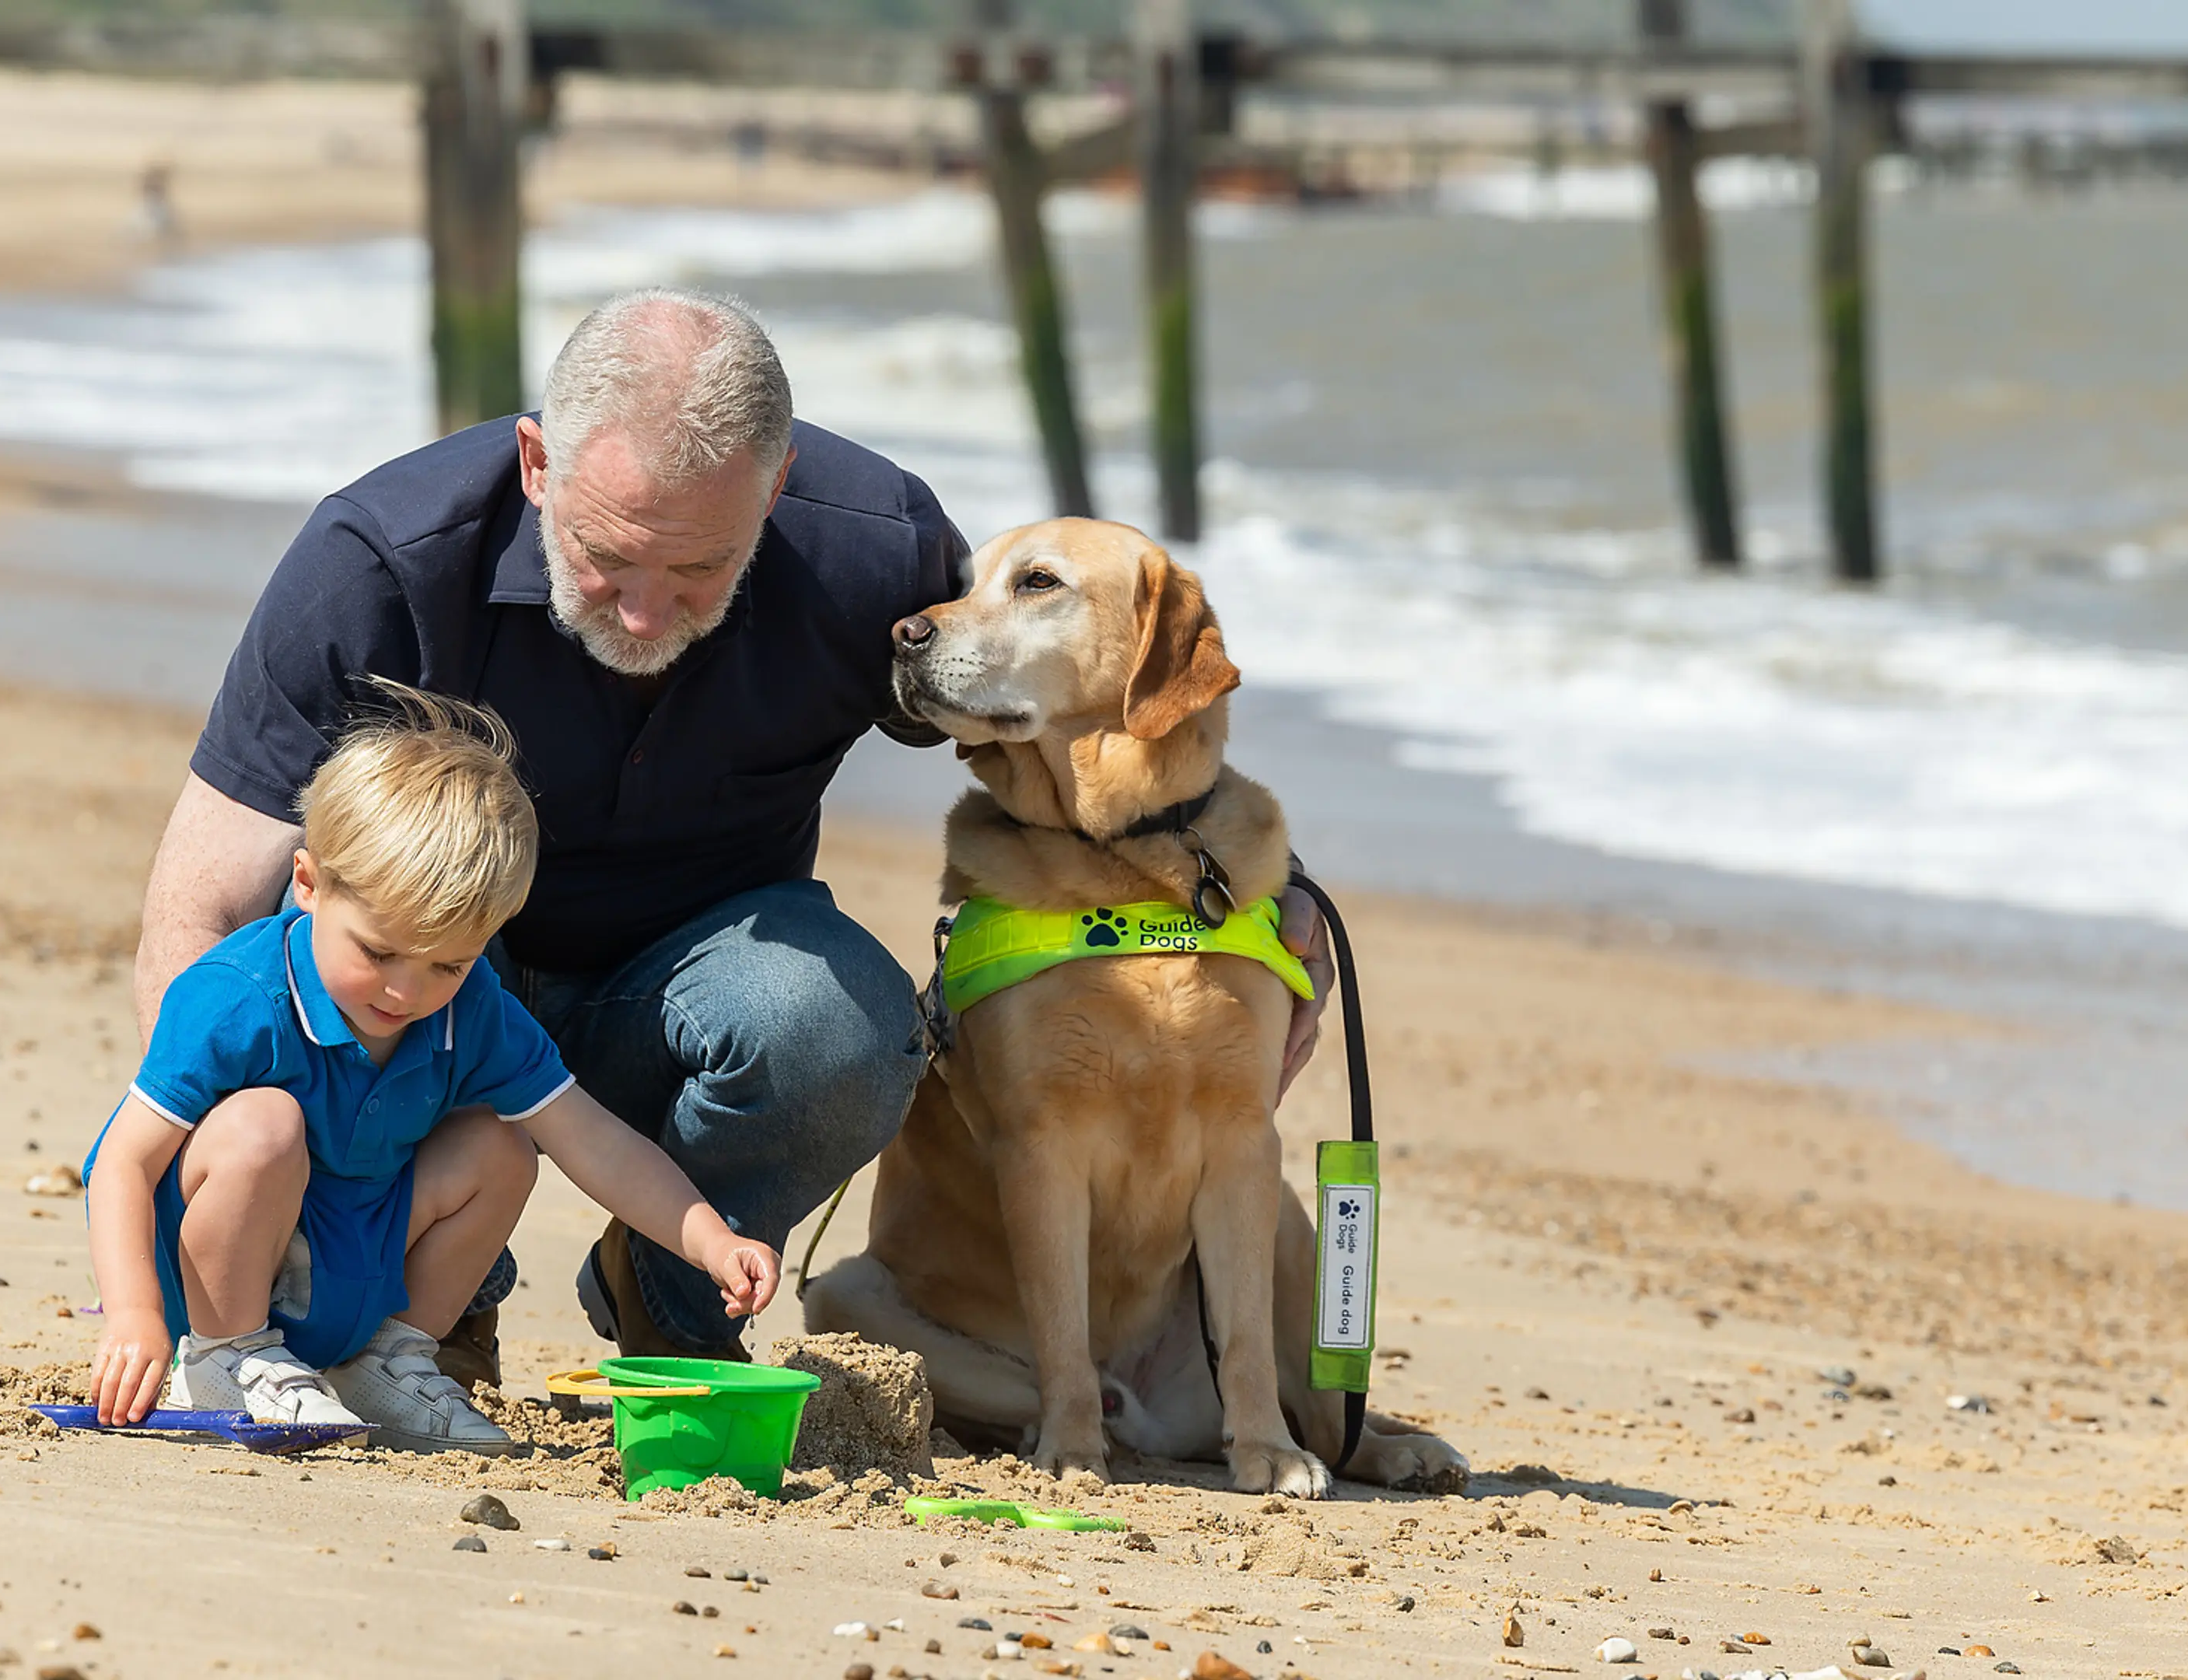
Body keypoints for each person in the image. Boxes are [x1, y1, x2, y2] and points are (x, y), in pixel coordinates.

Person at [131, 285, 1336, 1381]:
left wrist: (1240, 878)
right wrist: (207, 1182)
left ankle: (671, 1296)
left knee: (853, 1028)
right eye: (606, 561)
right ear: (539, 464)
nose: (648, 610)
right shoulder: (379, 564)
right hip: (432, 983)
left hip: (702, 989)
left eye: (703, 569)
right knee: (343, 956)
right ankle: (432, 1312)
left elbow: (1081, 692)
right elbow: (207, 904)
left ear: (775, 487)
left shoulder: (872, 549)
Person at [86, 682, 781, 1452]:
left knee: (503, 1147)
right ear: (310, 886)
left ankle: (386, 1360)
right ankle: (226, 1360)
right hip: (221, 1287)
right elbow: (122, 1161)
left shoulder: (467, 1010)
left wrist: (712, 1240)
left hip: (356, 1276)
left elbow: (594, 1140)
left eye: (447, 964)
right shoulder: (237, 995)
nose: (404, 991)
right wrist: (134, 1315)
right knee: (262, 1127)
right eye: (378, 952)